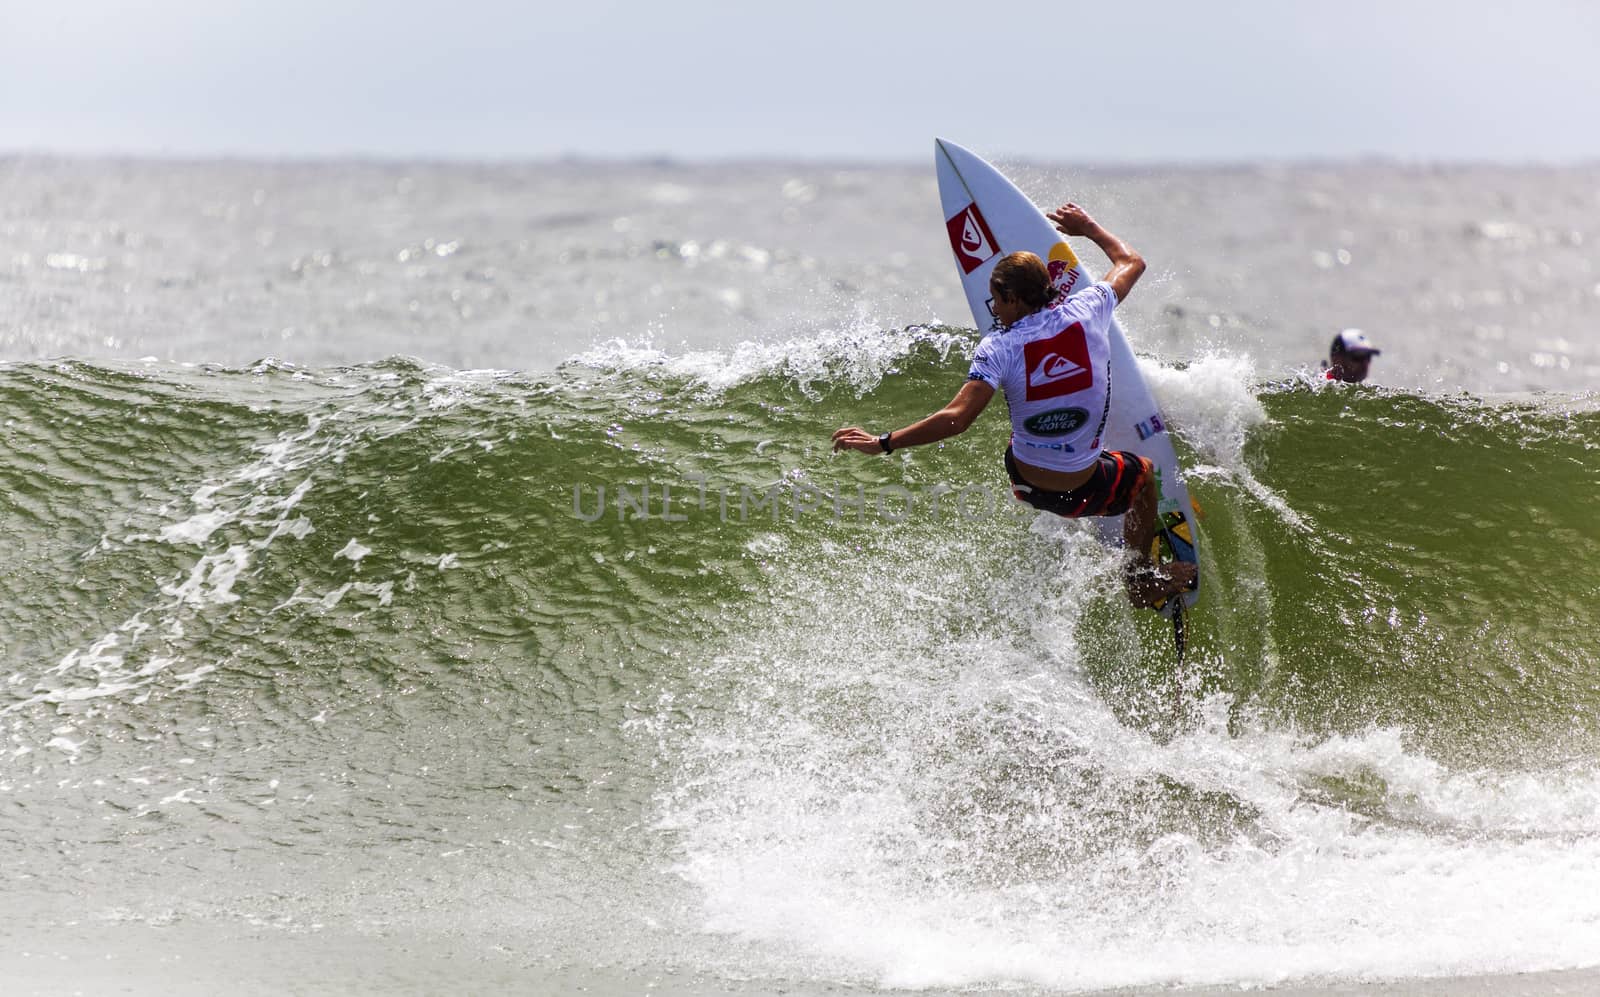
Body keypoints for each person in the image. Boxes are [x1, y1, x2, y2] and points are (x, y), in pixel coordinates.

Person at [831, 203, 1195, 609]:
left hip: (1024, 484)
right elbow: (1132, 261)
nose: (994, 312)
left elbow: (956, 419)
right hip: (1080, 486)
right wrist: (1087, 227)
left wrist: (883, 442)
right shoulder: (1091, 308)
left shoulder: (998, 346)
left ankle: (1127, 570)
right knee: (1142, 475)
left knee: (1021, 414)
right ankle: (1139, 574)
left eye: (997, 302)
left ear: (1013, 299)